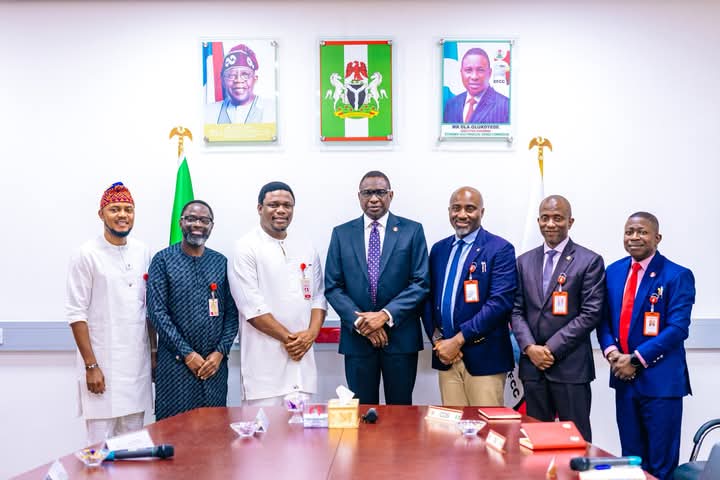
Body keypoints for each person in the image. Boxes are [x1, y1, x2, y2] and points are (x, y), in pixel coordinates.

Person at [597, 212, 695, 480]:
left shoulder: (677, 275)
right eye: (629, 232)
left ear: (657, 237)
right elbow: (603, 320)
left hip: (661, 383)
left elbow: (678, 328)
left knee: (660, 464)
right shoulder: (613, 271)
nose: (634, 237)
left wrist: (636, 359)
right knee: (631, 460)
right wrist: (613, 353)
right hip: (624, 380)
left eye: (642, 232)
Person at [325, 171, 430, 405]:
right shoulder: (341, 234)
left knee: (400, 412)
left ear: (390, 195)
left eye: (380, 192)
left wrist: (384, 316)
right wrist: (363, 324)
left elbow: (421, 282)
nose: (373, 199)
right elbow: (333, 286)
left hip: (400, 339)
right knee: (362, 412)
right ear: (359, 196)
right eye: (367, 193)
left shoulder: (412, 231)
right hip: (358, 340)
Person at [511, 195, 605, 441]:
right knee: (537, 440)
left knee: (576, 441)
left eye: (557, 218)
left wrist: (549, 349)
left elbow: (591, 313)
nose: (550, 224)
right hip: (533, 368)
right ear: (538, 221)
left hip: (570, 367)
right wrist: (530, 348)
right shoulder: (523, 262)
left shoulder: (589, 261)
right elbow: (516, 310)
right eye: (545, 218)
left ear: (570, 222)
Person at [66, 182, 152, 444]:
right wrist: (91, 366)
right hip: (102, 366)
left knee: (133, 446)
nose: (122, 215)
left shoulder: (143, 251)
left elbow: (147, 309)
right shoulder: (86, 254)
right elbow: (76, 313)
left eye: (128, 209)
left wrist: (154, 354)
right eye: (115, 209)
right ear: (101, 214)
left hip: (136, 368)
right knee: (99, 448)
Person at [228, 182, 327, 406]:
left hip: (302, 367)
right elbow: (251, 306)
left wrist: (310, 336)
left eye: (287, 205)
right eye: (273, 205)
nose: (281, 210)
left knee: (303, 428)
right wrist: (291, 341)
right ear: (259, 208)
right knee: (263, 428)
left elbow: (319, 297)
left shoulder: (306, 246)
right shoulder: (245, 247)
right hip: (264, 372)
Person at [422, 187, 516, 406]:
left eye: (470, 208)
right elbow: (427, 298)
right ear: (449, 211)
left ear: (482, 212)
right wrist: (439, 342)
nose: (462, 214)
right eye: (456, 208)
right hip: (447, 357)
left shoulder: (500, 249)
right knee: (454, 425)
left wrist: (457, 341)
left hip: (485, 358)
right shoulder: (439, 249)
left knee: (486, 425)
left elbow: (499, 303)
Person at [147, 200, 239, 420]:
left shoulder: (220, 262)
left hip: (214, 368)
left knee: (213, 430)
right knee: (174, 431)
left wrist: (220, 352)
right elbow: (157, 312)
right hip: (175, 367)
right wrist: (187, 354)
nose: (197, 224)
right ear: (181, 223)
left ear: (211, 226)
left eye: (204, 220)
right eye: (191, 219)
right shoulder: (162, 260)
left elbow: (232, 313)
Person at [204, 43, 275, 124]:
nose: (238, 80)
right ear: (223, 80)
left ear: (255, 79)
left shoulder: (273, 109)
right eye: (231, 75)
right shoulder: (208, 112)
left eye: (245, 75)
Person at [443, 47, 510, 124]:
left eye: (480, 70)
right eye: (468, 70)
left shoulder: (506, 106)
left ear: (489, 73)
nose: (474, 77)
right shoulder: (451, 104)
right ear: (461, 72)